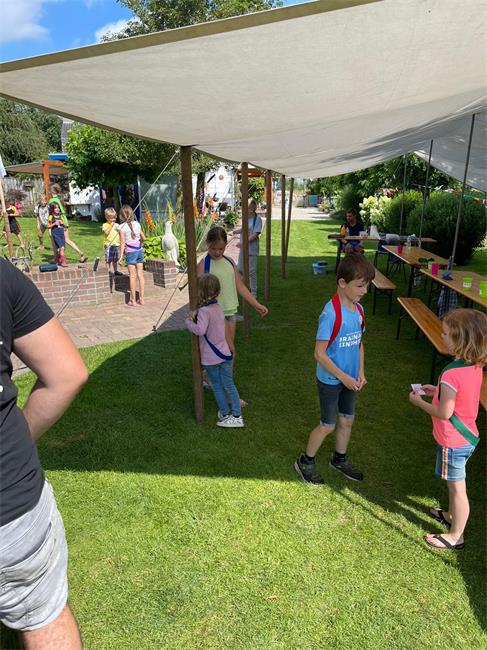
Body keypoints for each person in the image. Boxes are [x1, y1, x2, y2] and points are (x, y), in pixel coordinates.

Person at [0, 257, 88, 648]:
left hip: (11, 503)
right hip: (13, 512)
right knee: (44, 619)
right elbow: (67, 373)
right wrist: (19, 439)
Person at [409, 308, 487, 551]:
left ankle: (455, 536)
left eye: (445, 334)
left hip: (453, 441)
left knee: (457, 489)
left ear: (461, 341)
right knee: (455, 487)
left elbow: (445, 413)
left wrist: (419, 403)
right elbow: (461, 397)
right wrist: (437, 390)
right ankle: (452, 516)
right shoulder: (473, 366)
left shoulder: (452, 374)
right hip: (466, 437)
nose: (441, 336)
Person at [294, 254, 375, 485]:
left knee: (347, 420)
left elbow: (359, 343)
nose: (365, 291)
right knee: (327, 425)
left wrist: (360, 372)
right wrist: (343, 377)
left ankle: (339, 459)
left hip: (350, 379)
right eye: (360, 286)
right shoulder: (330, 314)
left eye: (367, 286)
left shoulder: (359, 311)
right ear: (342, 283)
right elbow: (319, 354)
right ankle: (305, 461)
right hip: (331, 380)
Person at [197, 226, 268, 355]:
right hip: (213, 314)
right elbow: (199, 293)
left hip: (230, 311)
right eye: (213, 248)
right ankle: (217, 367)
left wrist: (256, 305)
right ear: (207, 244)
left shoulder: (229, 262)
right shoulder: (203, 265)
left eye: (221, 249)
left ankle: (226, 368)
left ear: (225, 245)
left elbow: (240, 286)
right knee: (223, 349)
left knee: (229, 349)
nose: (217, 252)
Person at [185, 273, 244, 428]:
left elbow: (200, 330)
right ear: (218, 291)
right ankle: (233, 414)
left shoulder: (204, 312)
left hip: (211, 358)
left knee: (217, 386)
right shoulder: (218, 308)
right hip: (225, 354)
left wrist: (189, 321)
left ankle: (229, 415)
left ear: (200, 292)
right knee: (229, 385)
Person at [49, 184, 88, 263]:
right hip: (64, 219)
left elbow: (52, 212)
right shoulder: (59, 199)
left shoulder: (52, 200)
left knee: (55, 240)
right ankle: (80, 253)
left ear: (51, 191)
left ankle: (57, 259)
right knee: (66, 239)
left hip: (58, 220)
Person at [119, 204, 146, 307]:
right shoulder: (137, 225)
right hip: (139, 251)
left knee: (132, 276)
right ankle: (142, 299)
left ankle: (133, 300)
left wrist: (121, 256)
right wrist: (138, 243)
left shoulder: (122, 227)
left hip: (130, 252)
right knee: (140, 275)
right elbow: (144, 238)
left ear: (121, 216)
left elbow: (122, 243)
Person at [235, 199, 263, 296]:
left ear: (251, 209)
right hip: (243, 249)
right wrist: (234, 232)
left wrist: (243, 242)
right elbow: (243, 229)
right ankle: (243, 286)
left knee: (251, 271)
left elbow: (255, 235)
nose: (243, 210)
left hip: (252, 249)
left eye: (245, 208)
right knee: (240, 269)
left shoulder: (257, 219)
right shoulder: (246, 218)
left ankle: (253, 292)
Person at [102, 207, 122, 275]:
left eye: (114, 218)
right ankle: (108, 271)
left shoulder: (117, 225)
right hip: (108, 245)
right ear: (106, 218)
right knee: (108, 259)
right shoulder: (105, 225)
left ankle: (116, 270)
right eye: (111, 218)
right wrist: (111, 225)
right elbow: (106, 233)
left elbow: (121, 233)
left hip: (116, 245)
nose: (113, 220)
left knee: (115, 259)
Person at [47, 202, 68, 267]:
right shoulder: (51, 217)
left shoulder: (60, 216)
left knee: (62, 248)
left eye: (58, 208)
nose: (58, 209)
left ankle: (56, 260)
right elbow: (48, 226)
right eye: (55, 208)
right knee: (61, 247)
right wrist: (54, 224)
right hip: (55, 233)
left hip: (61, 233)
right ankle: (63, 262)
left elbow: (65, 227)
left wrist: (63, 224)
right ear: (52, 209)